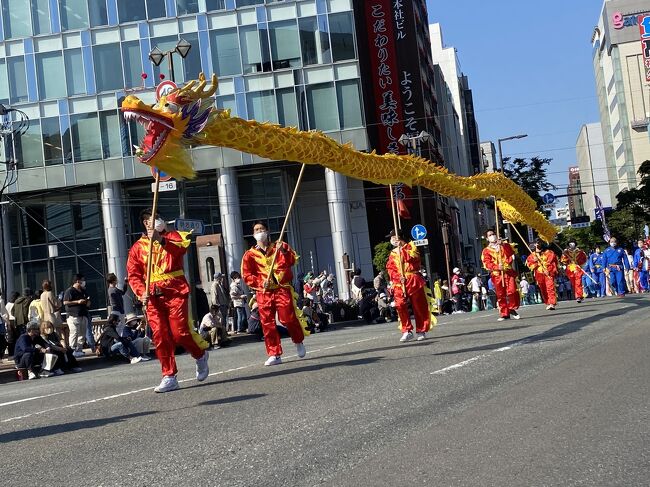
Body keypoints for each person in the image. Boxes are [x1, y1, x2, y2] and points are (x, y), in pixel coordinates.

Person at [127, 208, 209, 393]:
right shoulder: (137, 248)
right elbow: (134, 275)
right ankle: (169, 375)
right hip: (153, 297)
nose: (152, 221)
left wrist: (161, 240)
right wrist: (141, 292)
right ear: (144, 224)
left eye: (155, 217)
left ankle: (200, 355)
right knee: (160, 336)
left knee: (180, 333)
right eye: (148, 219)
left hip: (175, 292)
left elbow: (180, 250)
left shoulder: (175, 236)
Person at [241, 220, 308, 366]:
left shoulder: (280, 246)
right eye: (257, 230)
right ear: (253, 234)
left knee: (288, 319)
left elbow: (291, 261)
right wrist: (259, 282)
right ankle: (274, 353)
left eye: (262, 229)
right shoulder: (249, 255)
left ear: (267, 231)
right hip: (263, 292)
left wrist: (283, 251)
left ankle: (298, 340)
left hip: (281, 289)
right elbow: (246, 275)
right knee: (267, 323)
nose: (260, 232)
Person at [385, 229, 435, 342]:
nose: (391, 240)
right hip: (400, 282)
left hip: (413, 280)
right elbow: (390, 269)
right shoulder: (393, 253)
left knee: (419, 306)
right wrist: (398, 277)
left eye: (393, 237)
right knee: (400, 305)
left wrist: (402, 248)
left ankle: (421, 330)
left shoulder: (411, 247)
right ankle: (406, 330)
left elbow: (413, 259)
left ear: (399, 238)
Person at [481, 229, 520, 321]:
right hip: (497, 274)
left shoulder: (504, 245)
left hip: (508, 272)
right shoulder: (486, 251)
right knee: (500, 294)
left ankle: (511, 308)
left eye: (493, 234)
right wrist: (497, 267)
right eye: (490, 235)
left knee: (513, 290)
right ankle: (504, 313)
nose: (492, 236)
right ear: (487, 238)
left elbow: (510, 254)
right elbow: (487, 263)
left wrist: (503, 245)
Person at [63, 274, 94, 357]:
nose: (84, 282)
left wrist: (87, 302)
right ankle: (72, 350)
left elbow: (88, 299)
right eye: (82, 280)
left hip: (83, 314)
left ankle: (79, 349)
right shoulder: (70, 291)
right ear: (78, 281)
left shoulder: (83, 291)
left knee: (82, 334)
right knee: (74, 332)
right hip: (73, 316)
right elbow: (65, 302)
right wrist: (77, 302)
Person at [525, 239, 559, 310]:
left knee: (550, 287)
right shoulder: (532, 255)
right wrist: (535, 262)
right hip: (539, 274)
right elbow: (529, 264)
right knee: (543, 289)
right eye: (536, 243)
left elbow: (552, 262)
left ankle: (552, 303)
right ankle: (548, 302)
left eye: (539, 243)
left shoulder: (549, 253)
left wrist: (548, 270)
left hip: (548, 273)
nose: (537, 245)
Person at [40, 279, 66, 345]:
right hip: (53, 316)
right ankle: (61, 346)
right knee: (57, 333)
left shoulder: (42, 295)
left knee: (49, 333)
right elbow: (57, 304)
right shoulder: (50, 293)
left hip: (46, 316)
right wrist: (59, 299)